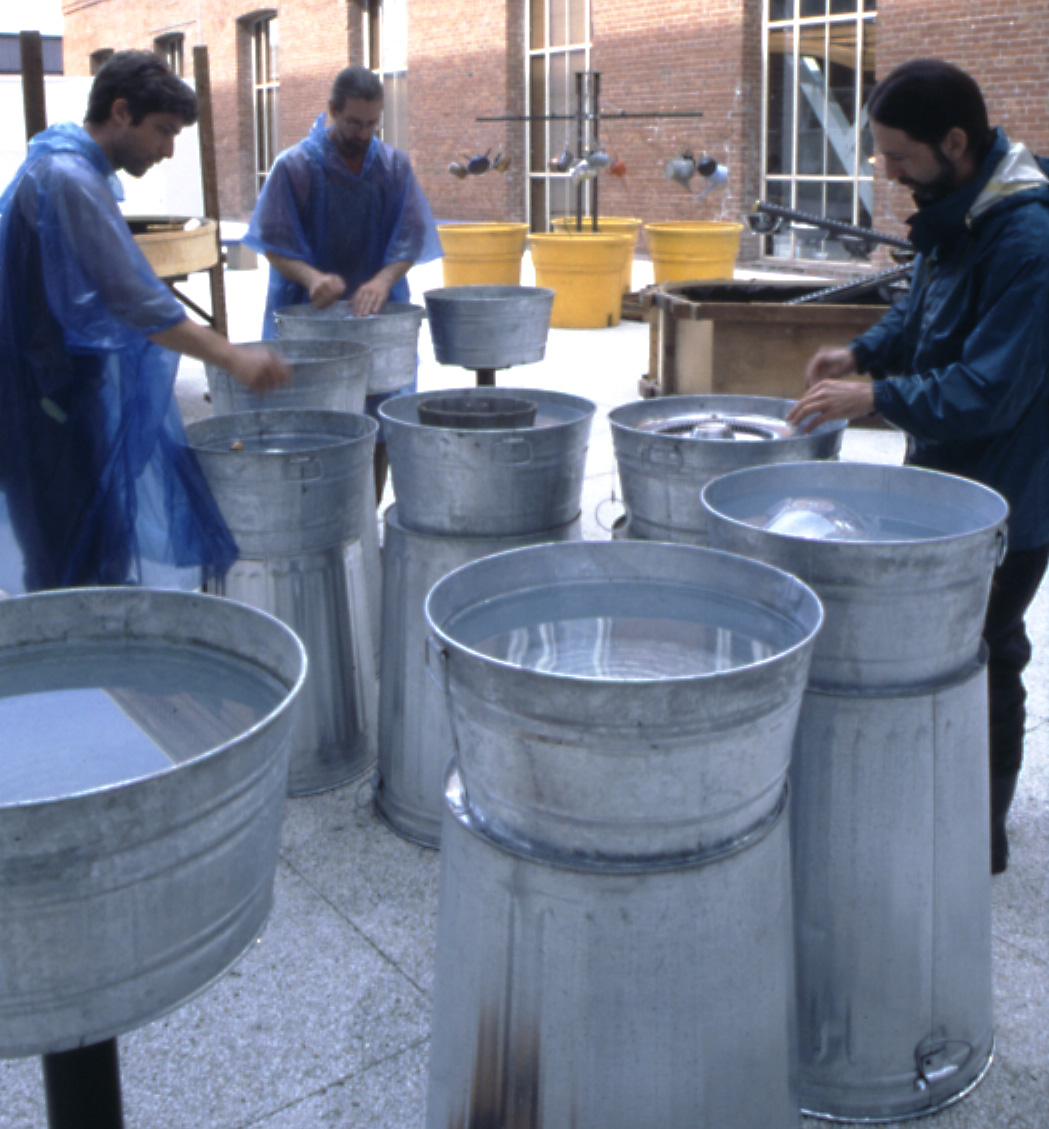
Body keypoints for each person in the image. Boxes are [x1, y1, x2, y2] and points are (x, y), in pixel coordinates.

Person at [786, 59, 1049, 874]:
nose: (887, 171)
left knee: (982, 649)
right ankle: (932, 802)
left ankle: (978, 840)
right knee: (946, 649)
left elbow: (988, 390)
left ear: (956, 141)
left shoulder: (1026, 240)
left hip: (1012, 494)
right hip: (951, 480)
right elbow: (926, 307)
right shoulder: (956, 206)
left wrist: (874, 397)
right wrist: (862, 351)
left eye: (899, 156)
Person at [0, 50, 290, 595]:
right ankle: (80, 667)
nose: (166, 150)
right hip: (44, 404)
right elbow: (136, 299)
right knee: (72, 566)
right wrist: (233, 357)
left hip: (50, 396)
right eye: (162, 131)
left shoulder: (64, 165)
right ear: (119, 112)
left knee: (79, 551)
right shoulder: (67, 178)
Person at [244, 65, 442, 497]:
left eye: (373, 123)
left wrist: (384, 279)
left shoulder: (392, 167)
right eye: (354, 121)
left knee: (381, 418)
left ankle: (365, 520)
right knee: (311, 422)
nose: (363, 132)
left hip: (376, 318)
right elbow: (273, 241)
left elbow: (412, 236)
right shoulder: (295, 167)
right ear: (332, 110)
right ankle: (316, 516)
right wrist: (312, 277)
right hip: (307, 315)